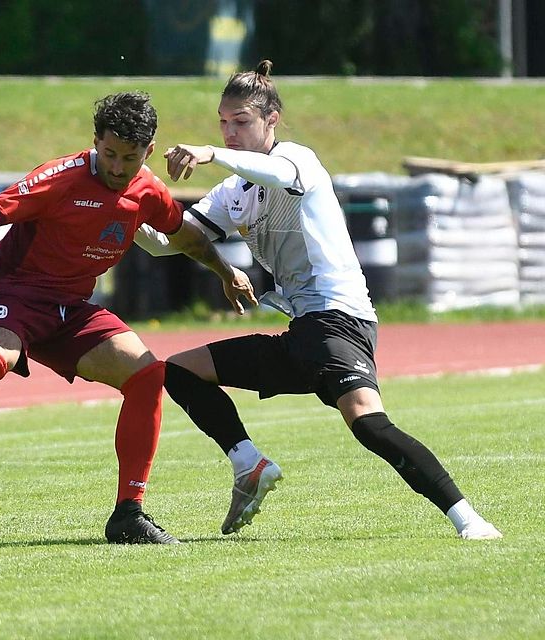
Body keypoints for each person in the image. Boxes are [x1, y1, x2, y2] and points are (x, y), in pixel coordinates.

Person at [0, 91, 253, 544]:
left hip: (72, 312)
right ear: (95, 142)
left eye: (129, 157)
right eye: (109, 154)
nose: (118, 167)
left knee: (147, 374)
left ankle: (129, 513)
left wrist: (226, 273)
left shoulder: (146, 190)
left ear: (148, 151)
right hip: (13, 295)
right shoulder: (60, 177)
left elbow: (187, 236)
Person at [138, 60, 502, 540]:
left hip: (337, 320)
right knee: (181, 369)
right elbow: (170, 242)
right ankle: (249, 464)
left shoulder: (296, 160)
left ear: (272, 120)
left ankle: (469, 520)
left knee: (369, 424)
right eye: (223, 123)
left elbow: (273, 173)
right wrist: (129, 205)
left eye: (241, 121)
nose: (229, 132)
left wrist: (209, 153)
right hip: (303, 332)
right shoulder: (233, 191)